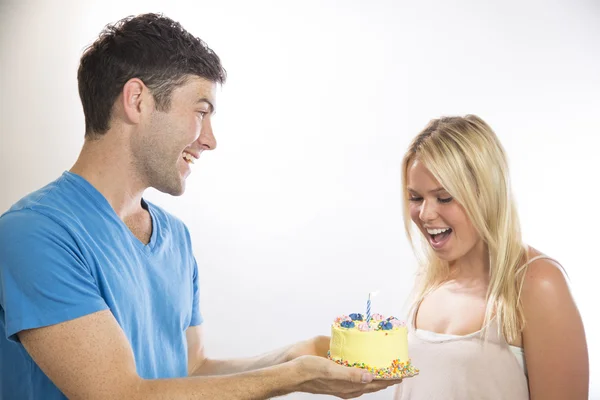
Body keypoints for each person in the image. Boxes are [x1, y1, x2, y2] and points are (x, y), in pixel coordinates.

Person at [0, 13, 400, 399]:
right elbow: (118, 394)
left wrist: (294, 356)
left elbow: (192, 370)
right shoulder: (35, 235)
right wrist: (288, 379)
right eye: (201, 112)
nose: (209, 140)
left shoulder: (174, 236)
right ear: (137, 100)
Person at [393, 115, 589, 399]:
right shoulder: (429, 280)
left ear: (486, 194)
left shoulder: (536, 284)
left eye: (444, 197)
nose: (425, 214)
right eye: (415, 198)